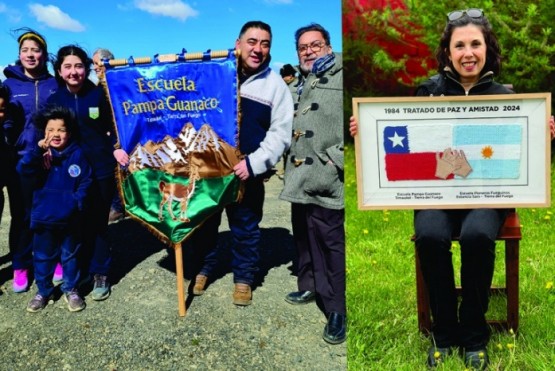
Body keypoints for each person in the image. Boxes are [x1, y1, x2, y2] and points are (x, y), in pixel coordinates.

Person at [350, 8, 522, 369]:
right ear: (447, 52)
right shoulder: (428, 91)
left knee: (476, 236)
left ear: (487, 48)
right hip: (435, 194)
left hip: (487, 196)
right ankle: (444, 332)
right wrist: (365, 129)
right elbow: (409, 143)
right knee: (429, 235)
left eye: (476, 43)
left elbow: (518, 154)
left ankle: (474, 334)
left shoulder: (506, 96)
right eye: (460, 45)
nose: (468, 53)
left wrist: (541, 133)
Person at [191, 20, 293, 306]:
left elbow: (280, 134)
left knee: (246, 227)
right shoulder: (214, 75)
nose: (258, 49)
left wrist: (255, 163)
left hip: (247, 172)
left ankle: (244, 278)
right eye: (252, 41)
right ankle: (204, 268)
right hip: (209, 170)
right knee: (205, 224)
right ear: (238, 44)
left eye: (265, 43)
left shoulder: (275, 87)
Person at [279, 23, 345, 345]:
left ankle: (336, 308)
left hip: (329, 176)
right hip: (300, 174)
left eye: (315, 45)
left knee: (331, 241)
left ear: (328, 46)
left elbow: (364, 116)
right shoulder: (304, 79)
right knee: (303, 233)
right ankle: (309, 284)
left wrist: (338, 157)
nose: (308, 51)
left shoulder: (345, 72)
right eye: (303, 47)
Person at [46, 45, 128, 302]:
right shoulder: (55, 100)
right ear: (59, 71)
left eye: (79, 66)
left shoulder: (99, 96)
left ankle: (101, 272)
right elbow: (48, 133)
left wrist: (116, 147)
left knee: (98, 223)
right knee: (73, 223)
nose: (74, 72)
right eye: (68, 67)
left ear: (86, 68)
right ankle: (76, 269)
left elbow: (115, 126)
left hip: (101, 169)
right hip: (67, 173)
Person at [17, 106, 92, 312]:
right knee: (42, 256)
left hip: (70, 218)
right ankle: (43, 290)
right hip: (43, 217)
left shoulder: (78, 154)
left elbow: (86, 180)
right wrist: (37, 152)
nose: (56, 134)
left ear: (69, 132)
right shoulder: (39, 155)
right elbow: (23, 170)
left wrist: (76, 201)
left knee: (70, 255)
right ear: (44, 132)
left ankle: (72, 289)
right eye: (51, 130)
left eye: (61, 129)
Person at [2, 28, 59, 293]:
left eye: (35, 50)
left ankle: (55, 259)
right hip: (18, 161)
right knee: (22, 216)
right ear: (19, 54)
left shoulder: (54, 84)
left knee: (52, 212)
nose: (30, 54)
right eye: (25, 50)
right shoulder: (8, 85)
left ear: (44, 55)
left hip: (51, 159)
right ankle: (21, 266)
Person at [91, 47, 125, 223]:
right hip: (106, 134)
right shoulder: (97, 86)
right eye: (94, 64)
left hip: (122, 134)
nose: (95, 67)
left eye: (98, 63)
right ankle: (116, 205)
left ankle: (119, 206)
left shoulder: (119, 83)